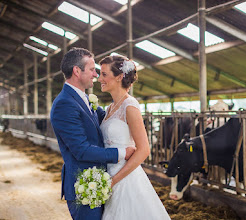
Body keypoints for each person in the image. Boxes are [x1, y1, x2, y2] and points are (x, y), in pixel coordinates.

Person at [50, 48, 135, 220]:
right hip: (85, 185)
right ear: (76, 71)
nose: (96, 75)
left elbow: (109, 123)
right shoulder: (64, 104)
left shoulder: (85, 99)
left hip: (103, 181)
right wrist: (122, 153)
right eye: (91, 70)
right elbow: (81, 150)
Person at [98, 55, 170, 220]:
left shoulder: (130, 105)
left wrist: (114, 180)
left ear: (119, 77)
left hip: (125, 178)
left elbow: (144, 149)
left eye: (104, 74)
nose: (99, 79)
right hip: (108, 175)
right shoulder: (109, 108)